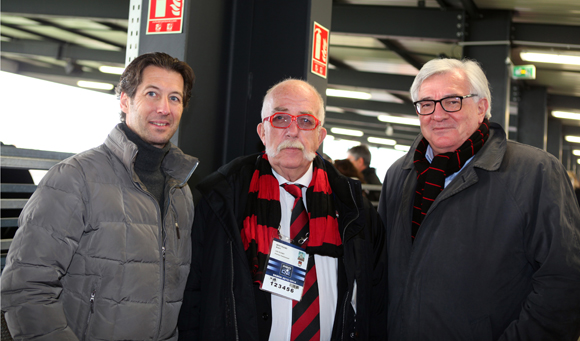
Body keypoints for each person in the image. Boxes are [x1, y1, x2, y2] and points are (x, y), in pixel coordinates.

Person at [1, 52, 199, 340]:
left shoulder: (181, 191)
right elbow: (26, 287)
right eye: (152, 93)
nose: (164, 108)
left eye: (174, 98)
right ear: (124, 100)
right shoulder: (74, 178)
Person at [378, 58, 580, 340]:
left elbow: (564, 283)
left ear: (482, 107)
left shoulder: (536, 173)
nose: (437, 114)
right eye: (426, 103)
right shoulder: (400, 175)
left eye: (452, 101)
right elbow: (381, 273)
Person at [178, 79, 387, 340]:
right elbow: (193, 295)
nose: (292, 131)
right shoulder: (223, 200)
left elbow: (376, 302)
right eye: (280, 119)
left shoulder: (355, 209)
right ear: (262, 131)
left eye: (306, 121)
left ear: (320, 136)